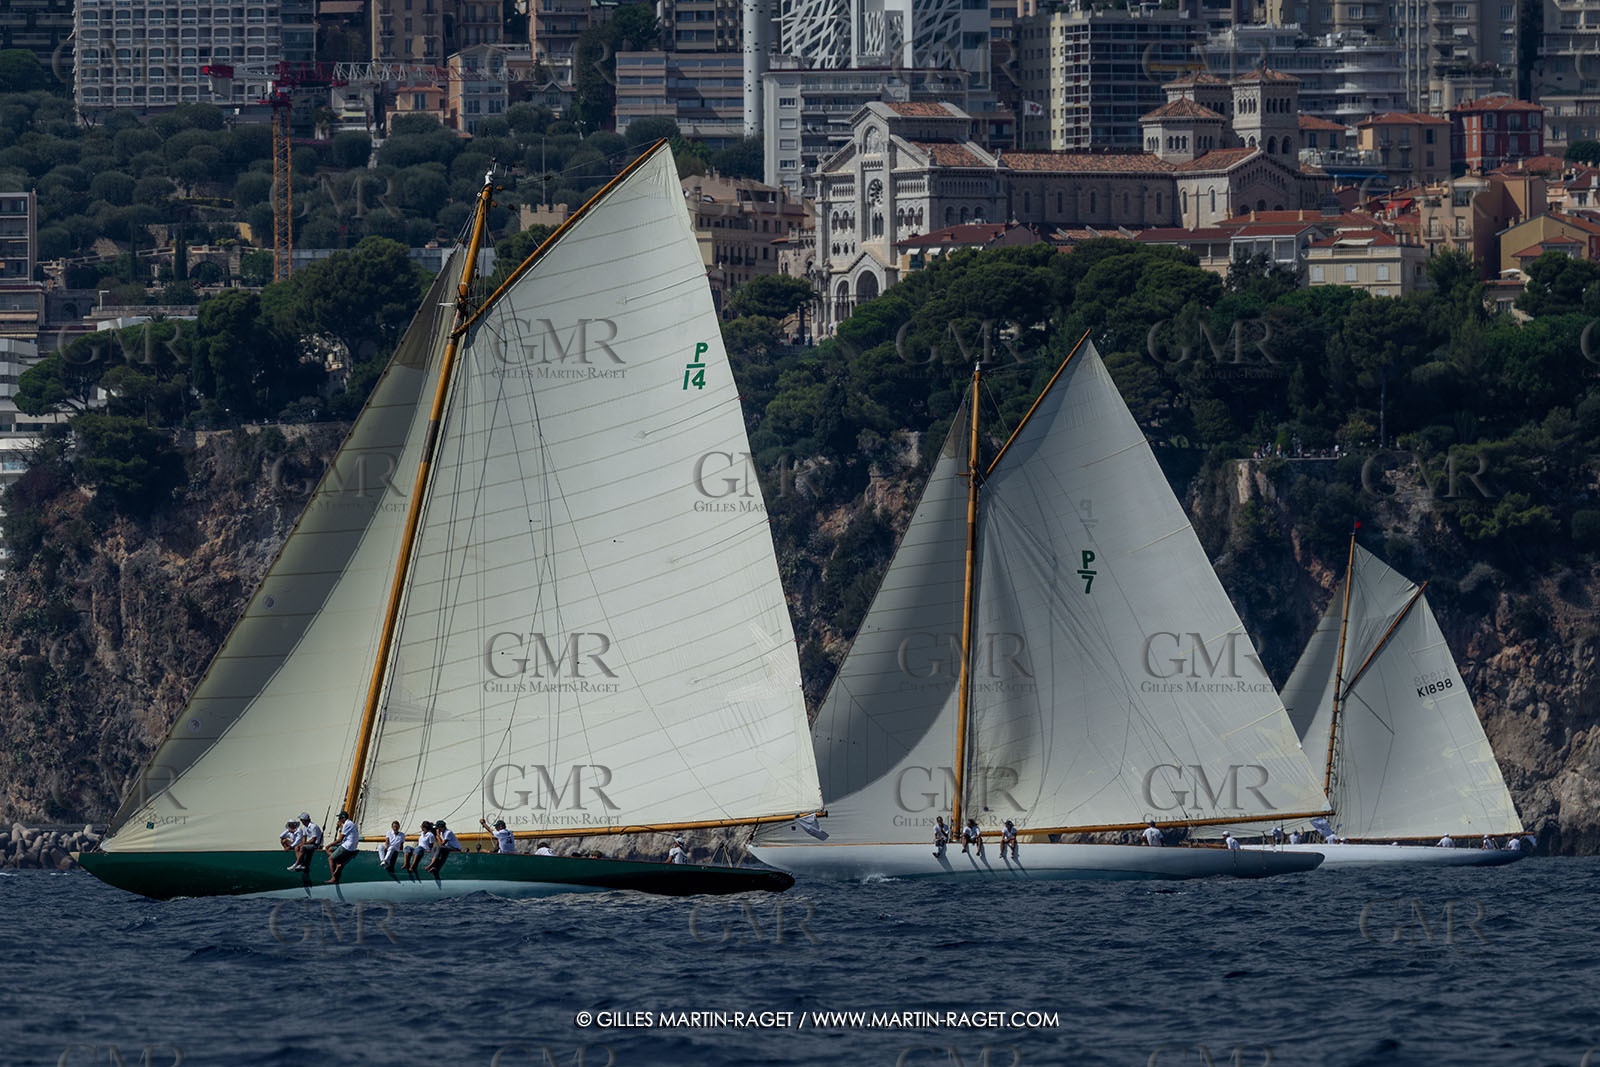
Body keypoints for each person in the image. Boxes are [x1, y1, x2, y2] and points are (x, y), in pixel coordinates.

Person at [327, 810, 359, 884]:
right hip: (351, 846)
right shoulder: (350, 823)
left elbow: (340, 840)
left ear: (343, 818)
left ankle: (333, 878)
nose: (339, 820)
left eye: (340, 818)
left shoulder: (347, 824)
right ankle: (338, 862)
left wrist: (328, 845)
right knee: (331, 849)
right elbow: (344, 833)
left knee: (330, 858)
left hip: (348, 846)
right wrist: (341, 825)